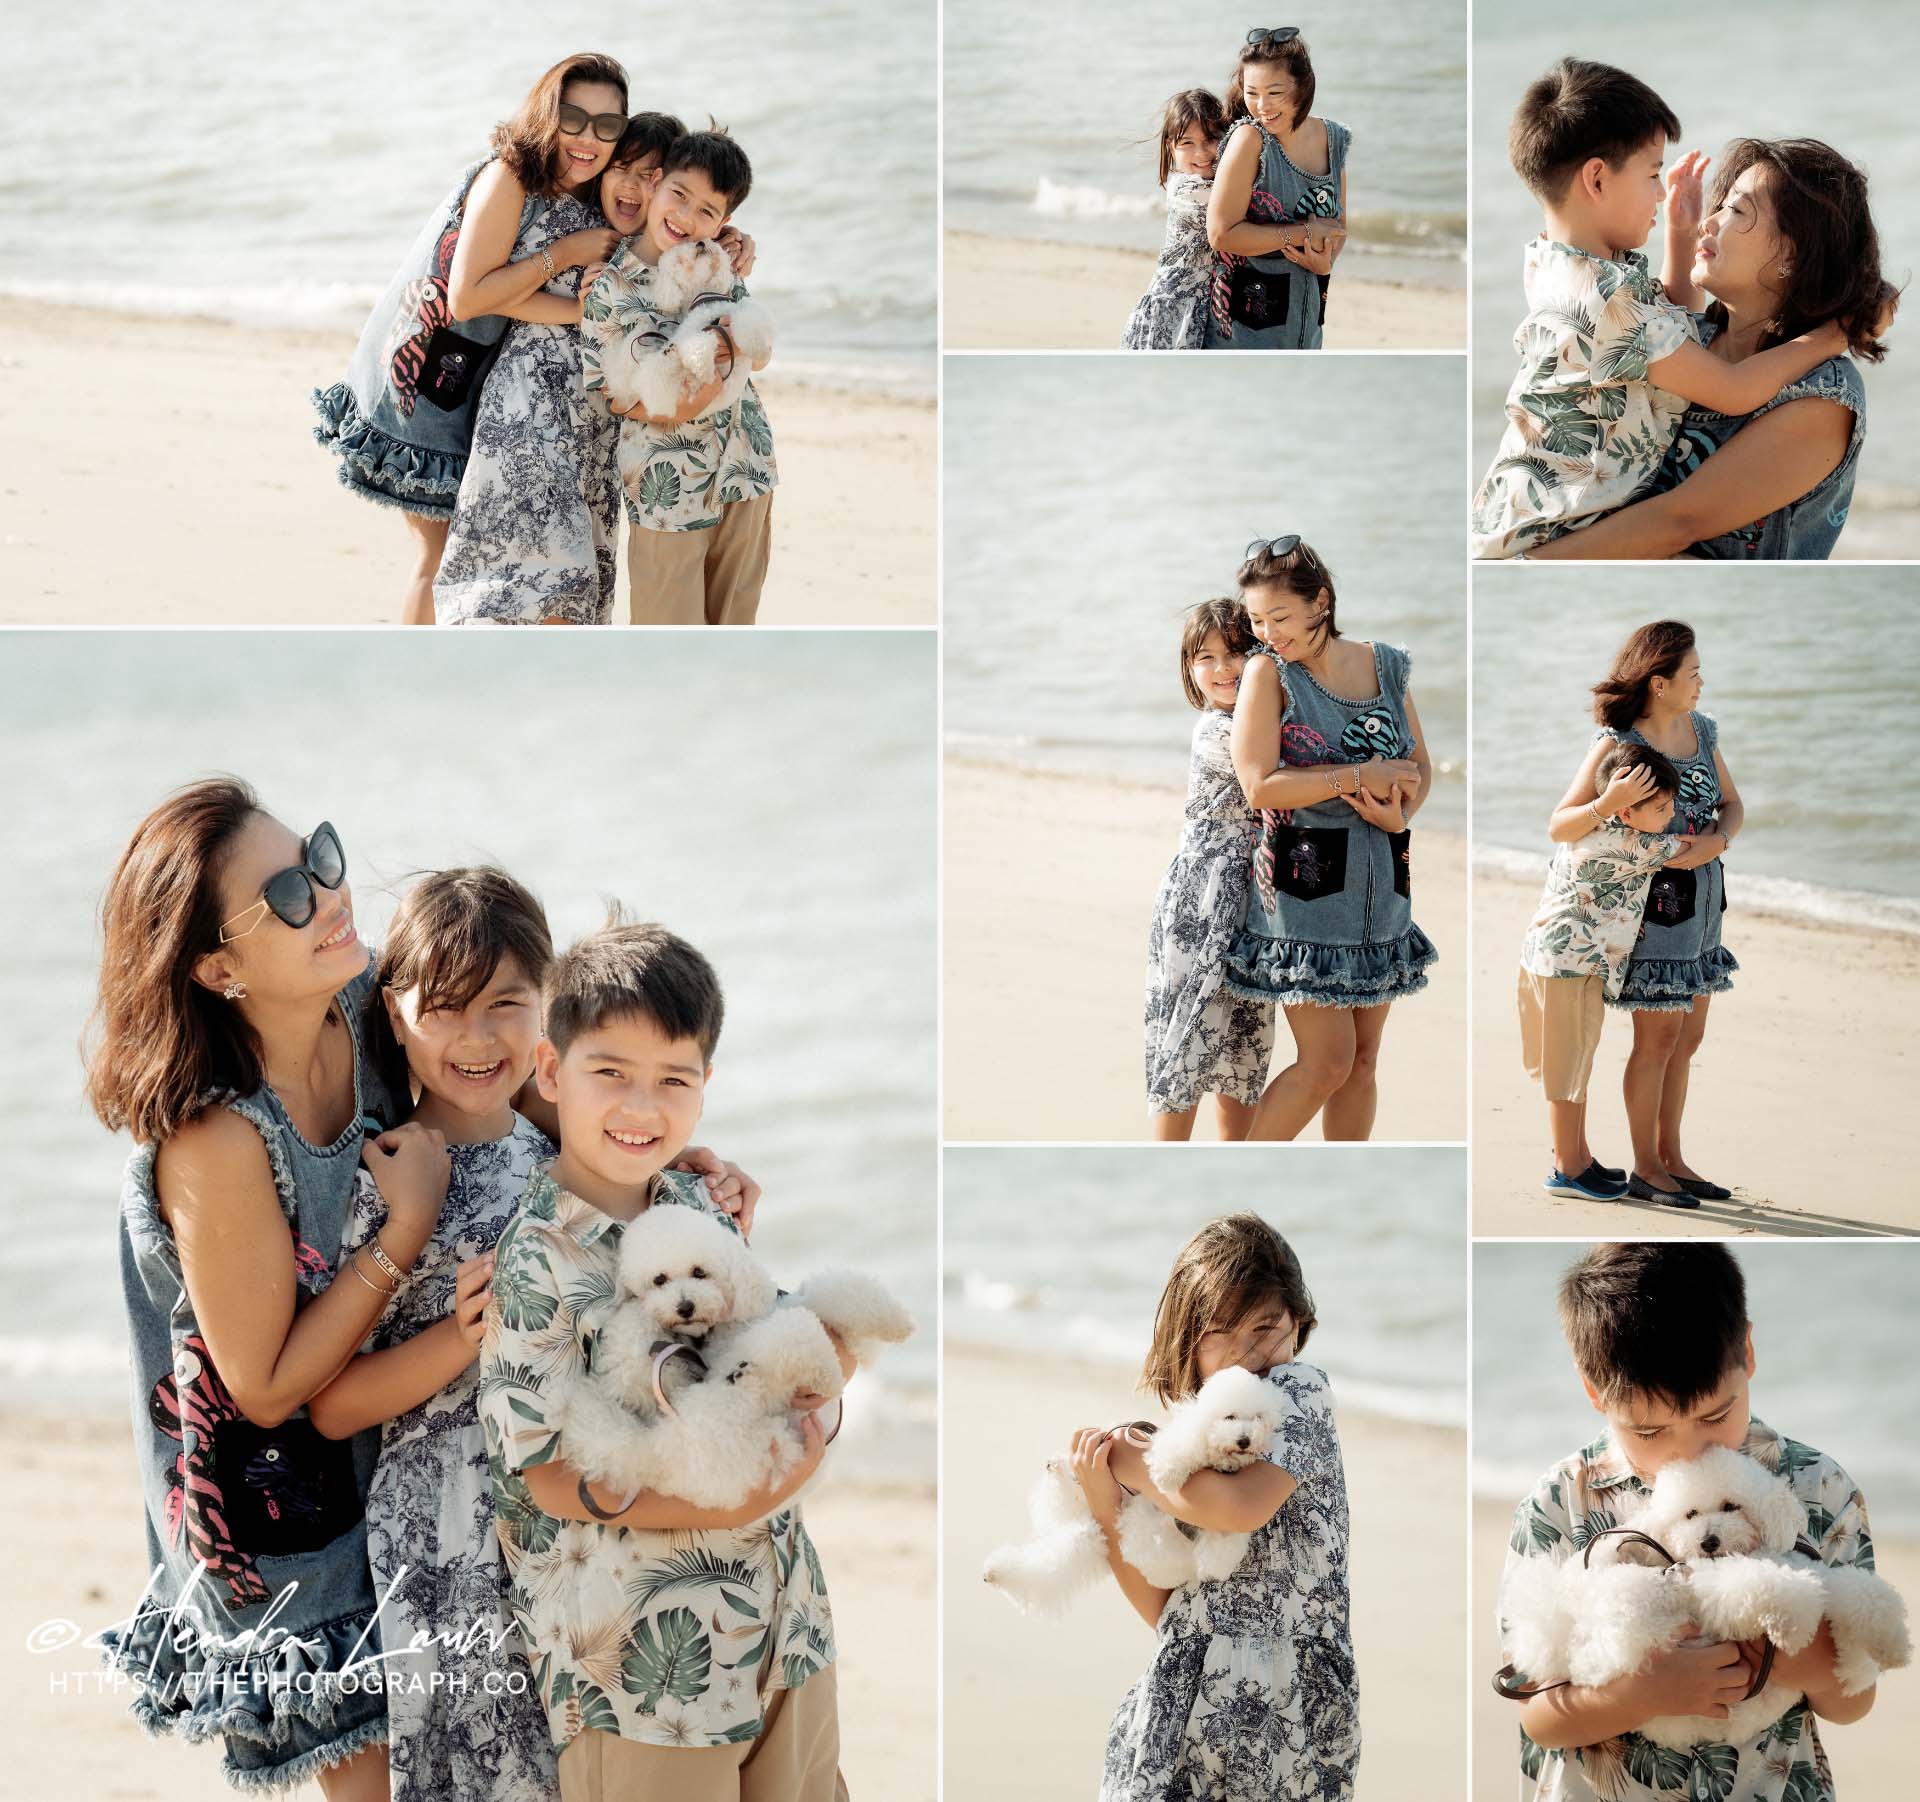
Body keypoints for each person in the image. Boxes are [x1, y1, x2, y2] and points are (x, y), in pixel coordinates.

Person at [476, 917, 852, 1802]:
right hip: (643, 1669)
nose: (642, 1107)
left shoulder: (698, 1203)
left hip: (781, 1622)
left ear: (705, 1087)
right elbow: (542, 1474)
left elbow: (760, 1347)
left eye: (673, 1079)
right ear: (550, 1070)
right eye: (611, 1073)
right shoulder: (538, 1260)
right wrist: (737, 1499)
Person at [305, 868, 563, 1801]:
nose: (479, 1035)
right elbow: (333, 1405)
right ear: (396, 1018)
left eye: (507, 1004)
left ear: (547, 1010)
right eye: (445, 1007)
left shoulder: (562, 1162)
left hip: (561, 1513)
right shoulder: (389, 1175)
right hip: (442, 1526)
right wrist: (459, 1337)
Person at [1498, 1243, 1881, 1802]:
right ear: (1592, 1390)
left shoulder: (1818, 1488)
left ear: (1746, 1351)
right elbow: (1536, 1712)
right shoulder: (1563, 1500)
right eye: (1649, 1432)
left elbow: (1855, 1701)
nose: (1686, 1452)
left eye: (1715, 1415)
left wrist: (1807, 1659)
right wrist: (1640, 1694)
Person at [1471, 60, 1847, 559]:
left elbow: (1670, 330)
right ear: (1598, 181)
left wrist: (1681, 232)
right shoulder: (1603, 300)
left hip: (1528, 514)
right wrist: (1836, 333)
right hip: (1548, 532)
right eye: (1652, 174)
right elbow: (1733, 391)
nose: (1662, 190)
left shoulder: (1564, 266)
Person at [1074, 1213, 1358, 1801]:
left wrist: (1133, 1463)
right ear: (1187, 1340)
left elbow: (1239, 1510)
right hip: (1177, 1700)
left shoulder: (1298, 1393)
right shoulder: (1187, 1444)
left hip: (1290, 1705)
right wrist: (1107, 1505)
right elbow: (1165, 1608)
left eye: (1264, 1327)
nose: (1244, 1355)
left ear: (1298, 1324)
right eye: (1220, 1332)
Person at [1527, 138, 1897, 560]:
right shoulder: (1690, 339)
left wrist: (1528, 564)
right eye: (1719, 206)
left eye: (1736, 210)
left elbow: (1678, 522)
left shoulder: (1822, 395)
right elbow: (1673, 315)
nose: (1710, 221)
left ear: (1794, 252)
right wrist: (1680, 235)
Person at [1223, 537, 1436, 1140]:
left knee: (1363, 1065)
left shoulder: (1387, 664)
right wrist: (1357, 776)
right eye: (1257, 620)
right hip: (1304, 893)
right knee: (1327, 1063)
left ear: (1321, 602)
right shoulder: (1269, 673)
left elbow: (1420, 768)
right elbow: (1258, 784)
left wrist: (1401, 816)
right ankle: (1244, 1176)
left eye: (1279, 617)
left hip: (1385, 884)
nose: (1267, 633)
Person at [432, 116, 681, 626]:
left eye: (652, 177)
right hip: (528, 414)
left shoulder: (654, 247)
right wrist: (579, 304)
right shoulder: (573, 216)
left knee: (580, 587)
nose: (633, 187)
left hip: (594, 435)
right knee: (535, 585)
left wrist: (735, 239)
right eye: (623, 169)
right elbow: (489, 296)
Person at [1548, 622, 1741, 1204]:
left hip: (1706, 910)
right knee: (1656, 1043)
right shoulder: (1617, 743)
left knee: (1687, 1040)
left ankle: (1673, 1158)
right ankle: (1646, 1167)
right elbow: (1561, 824)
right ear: (1660, 683)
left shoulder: (1701, 731)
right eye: (1693, 673)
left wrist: (1718, 843)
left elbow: (1732, 804)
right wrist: (1610, 803)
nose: (1702, 683)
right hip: (1650, 919)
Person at [582, 129, 777, 626]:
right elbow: (634, 394)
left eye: (707, 212)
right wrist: (726, 350)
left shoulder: (717, 263)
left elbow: (759, 354)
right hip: (666, 490)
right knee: (667, 634)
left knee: (736, 626)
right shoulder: (609, 284)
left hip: (746, 469)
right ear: (655, 183)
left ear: (724, 221)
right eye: (679, 195)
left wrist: (729, 348)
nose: (686, 218)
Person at [1519, 741, 1723, 1204]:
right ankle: (1567, 1169)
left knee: (1574, 1059)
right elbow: (1689, 848)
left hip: (1560, 957)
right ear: (1627, 813)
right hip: (1569, 962)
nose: (1670, 813)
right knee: (1568, 1066)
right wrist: (1720, 833)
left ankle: (1578, 1157)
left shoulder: (1601, 823)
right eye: (1661, 806)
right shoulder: (1629, 842)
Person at [1144, 598, 1276, 1138]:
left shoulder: (1257, 719)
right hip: (1202, 901)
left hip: (1251, 903)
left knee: (1241, 1049)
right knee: (1186, 1042)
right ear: (1189, 669)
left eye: (1237, 653)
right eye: (1206, 658)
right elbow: (1275, 778)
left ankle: (1233, 1161)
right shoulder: (1219, 729)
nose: (1223, 669)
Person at [1203, 29, 1349, 350]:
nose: (1261, 106)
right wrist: (1302, 233)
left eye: (1274, 92)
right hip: (1244, 334)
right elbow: (1221, 234)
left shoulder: (1333, 139)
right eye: (1252, 92)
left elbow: (1338, 226)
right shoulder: (1250, 141)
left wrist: (1325, 263)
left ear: (1302, 87)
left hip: (1307, 329)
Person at [1122, 89, 1230, 350]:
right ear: (1171, 146)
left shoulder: (1212, 182)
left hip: (1196, 306)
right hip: (1171, 310)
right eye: (1187, 143)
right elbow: (1242, 209)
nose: (1201, 152)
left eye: (1211, 139)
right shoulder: (1188, 190)